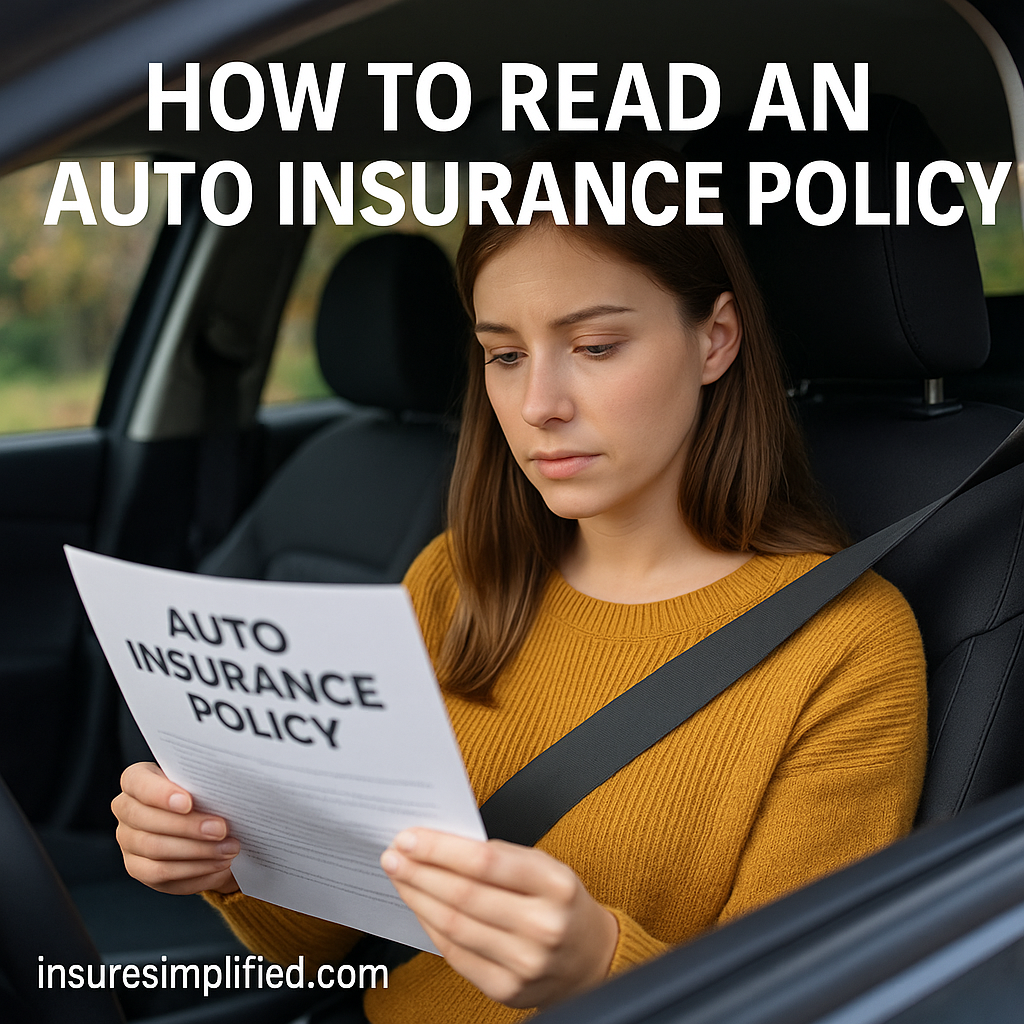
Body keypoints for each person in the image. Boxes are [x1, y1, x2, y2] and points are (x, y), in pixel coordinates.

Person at [112, 142, 927, 1024]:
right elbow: (333, 944)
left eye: (596, 346)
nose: (540, 404)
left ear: (715, 339)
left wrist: (599, 967)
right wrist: (226, 858)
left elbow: (795, 1004)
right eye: (504, 355)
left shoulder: (846, 647)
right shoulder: (456, 579)